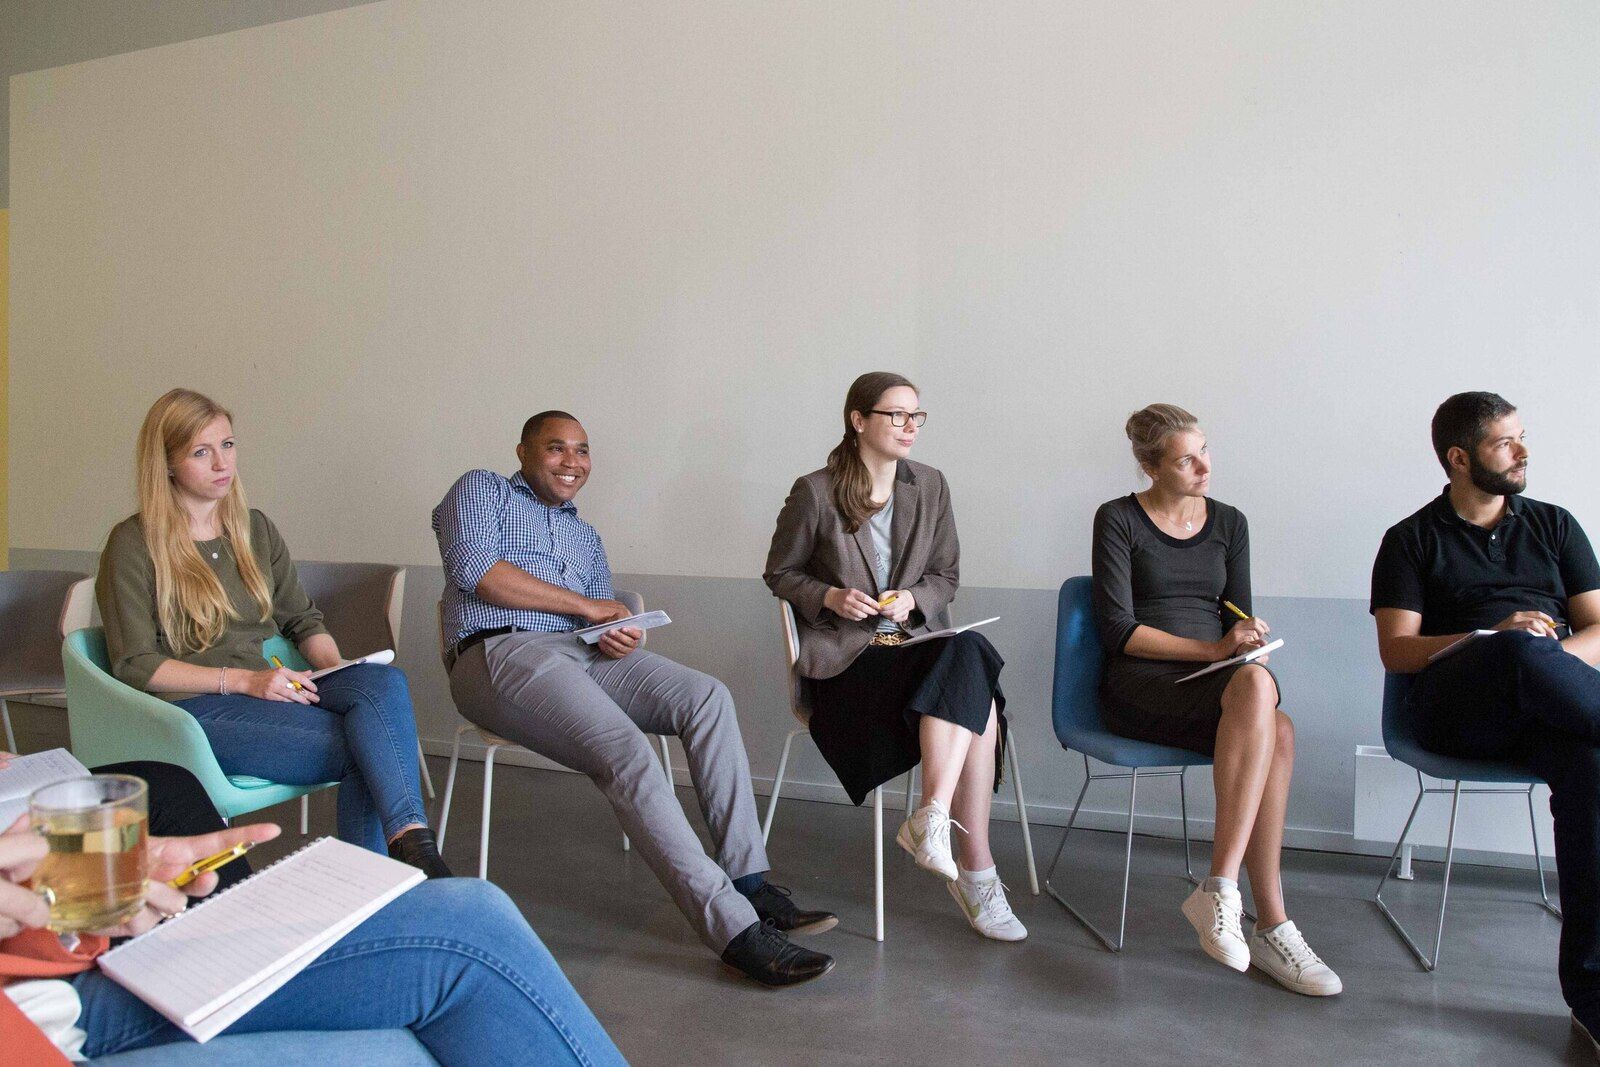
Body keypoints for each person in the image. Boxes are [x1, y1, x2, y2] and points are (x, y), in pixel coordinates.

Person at [433, 410, 835, 987]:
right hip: (500, 653)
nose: (572, 461)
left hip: (583, 653)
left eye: (583, 450)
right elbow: (479, 574)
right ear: (522, 452)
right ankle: (734, 930)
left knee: (706, 697)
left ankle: (749, 882)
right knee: (625, 750)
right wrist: (590, 609)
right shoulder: (481, 489)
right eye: (556, 448)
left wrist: (618, 631)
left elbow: (601, 615)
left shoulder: (583, 535)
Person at [0, 757, 624, 1064]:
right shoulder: (140, 550)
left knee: (370, 701)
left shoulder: (254, 539)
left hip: (42, 997)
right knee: (435, 995)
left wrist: (49, 923)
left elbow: (296, 622)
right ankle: (408, 836)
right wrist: (245, 680)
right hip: (43, 1035)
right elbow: (150, 662)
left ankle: (400, 838)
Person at [95, 388, 447, 876]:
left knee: (382, 683)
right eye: (202, 452)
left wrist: (335, 671)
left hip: (270, 690)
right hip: (191, 711)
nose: (222, 463)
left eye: (229, 445)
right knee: (367, 748)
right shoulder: (132, 544)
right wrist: (244, 681)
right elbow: (135, 664)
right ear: (168, 464)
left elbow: (303, 620)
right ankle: (377, 882)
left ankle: (411, 844)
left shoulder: (254, 529)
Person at [1372, 391, 1600, 1055]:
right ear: (1460, 457)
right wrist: (1492, 639)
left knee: (1590, 767)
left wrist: (1542, 653)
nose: (1524, 451)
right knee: (1518, 645)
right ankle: (1520, 652)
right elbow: (1397, 651)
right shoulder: (1410, 539)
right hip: (1455, 709)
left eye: (1522, 437)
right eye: (1507, 442)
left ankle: (1592, 996)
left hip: (1550, 701)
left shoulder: (1554, 525)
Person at [763, 371, 1025, 942]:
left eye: (917, 416)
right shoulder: (815, 491)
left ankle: (935, 821)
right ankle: (973, 872)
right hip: (848, 667)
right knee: (975, 690)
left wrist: (914, 598)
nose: (911, 427)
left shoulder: (929, 485)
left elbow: (945, 576)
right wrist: (829, 596)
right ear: (859, 420)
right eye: (897, 415)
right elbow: (779, 573)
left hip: (911, 651)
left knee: (969, 658)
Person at [1091, 403, 1340, 995]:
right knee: (1269, 717)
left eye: (1206, 450)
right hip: (1141, 682)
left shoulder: (1230, 522)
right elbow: (1117, 631)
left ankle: (1255, 913)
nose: (1204, 467)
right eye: (1186, 459)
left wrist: (1248, 639)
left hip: (1218, 680)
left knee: (1272, 719)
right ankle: (1242, 903)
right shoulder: (1117, 519)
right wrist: (1214, 651)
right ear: (1150, 466)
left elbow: (1238, 612)